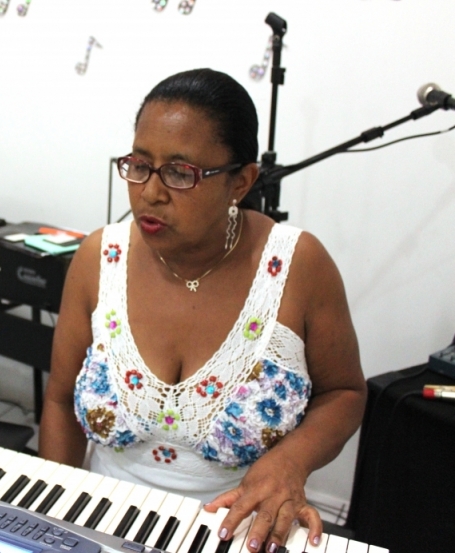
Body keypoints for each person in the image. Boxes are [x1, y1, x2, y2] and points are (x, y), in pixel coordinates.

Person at [39, 68, 367, 553]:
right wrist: (52, 522)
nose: (149, 192)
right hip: (103, 518)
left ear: (241, 181)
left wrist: (291, 461)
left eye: (179, 172)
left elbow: (344, 392)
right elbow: (60, 401)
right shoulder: (98, 258)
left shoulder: (298, 266)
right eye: (139, 164)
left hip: (241, 530)